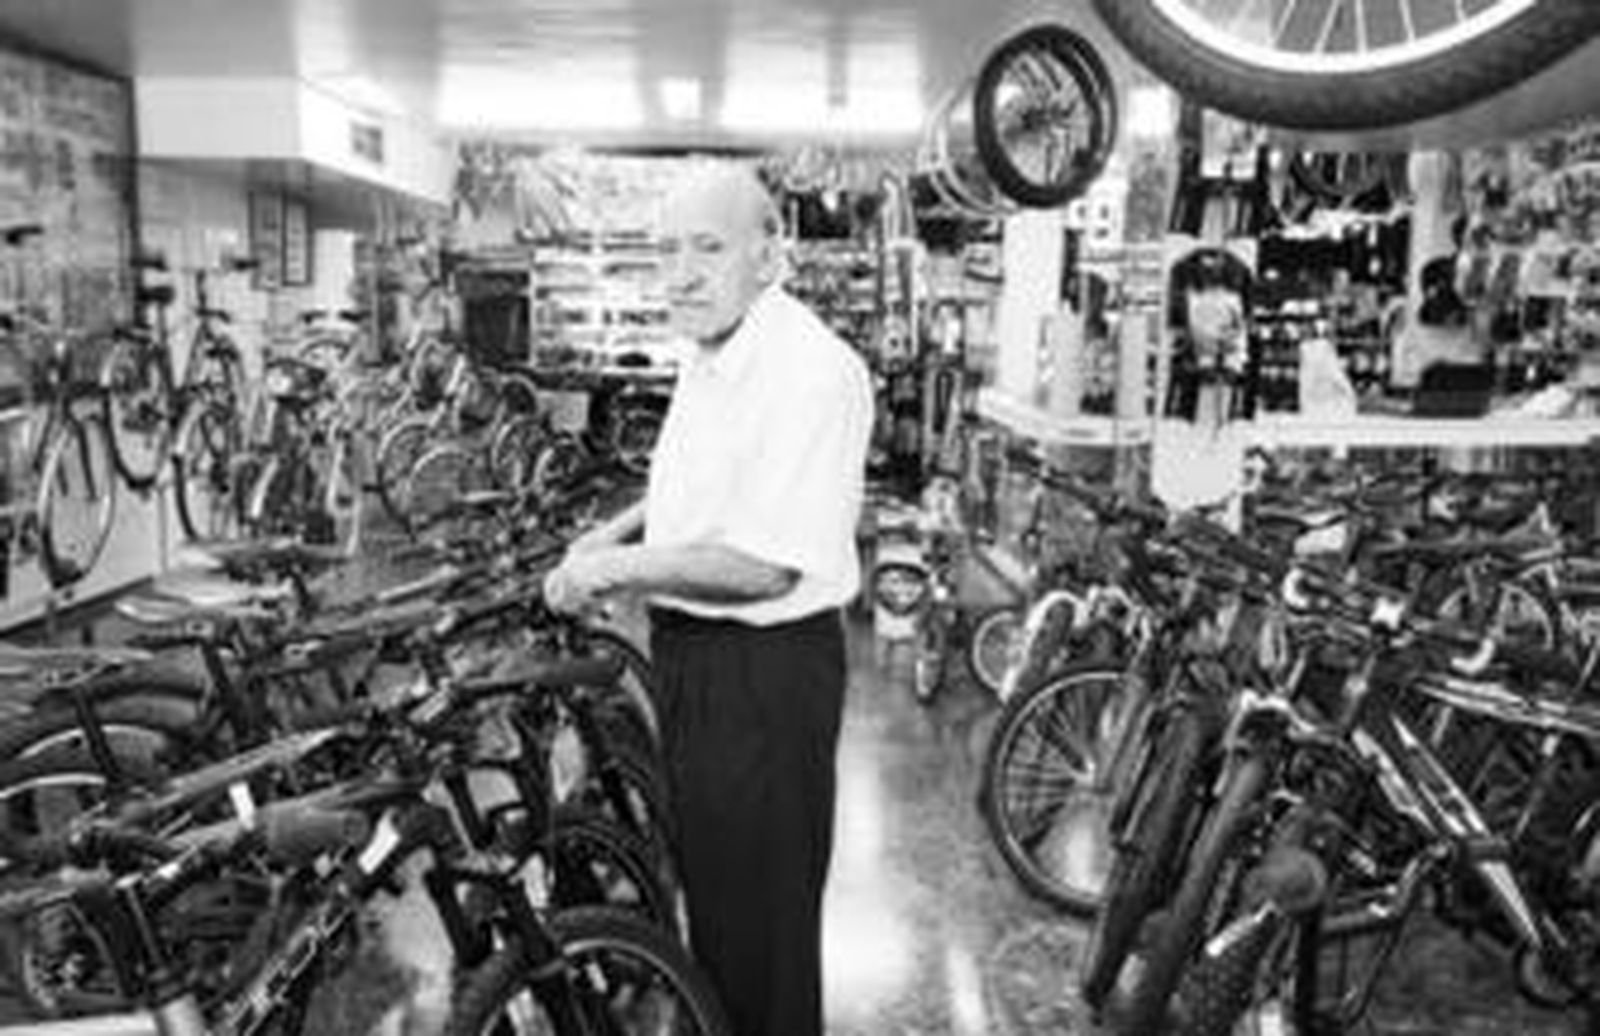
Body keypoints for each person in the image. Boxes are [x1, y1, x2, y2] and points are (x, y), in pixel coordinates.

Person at [542, 162, 875, 1036]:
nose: (680, 272)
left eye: (708, 247)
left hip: (764, 674)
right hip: (696, 656)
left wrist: (615, 573)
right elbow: (702, 491)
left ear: (769, 255)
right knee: (718, 906)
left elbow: (767, 566)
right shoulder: (716, 350)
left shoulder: (808, 371)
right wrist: (613, 536)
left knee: (761, 928)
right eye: (666, 250)